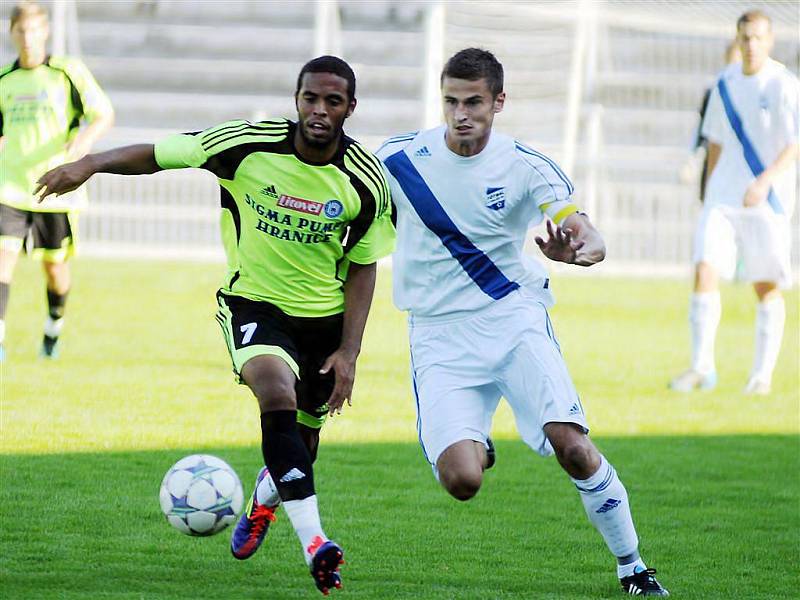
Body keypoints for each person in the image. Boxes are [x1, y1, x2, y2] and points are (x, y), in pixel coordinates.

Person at [36, 55, 395, 595]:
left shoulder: (366, 183)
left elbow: (364, 266)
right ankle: (317, 543)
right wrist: (89, 164)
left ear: (351, 108)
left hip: (324, 320)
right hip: (254, 305)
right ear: (296, 100)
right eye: (310, 99)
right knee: (274, 392)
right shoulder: (247, 144)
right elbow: (161, 156)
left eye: (333, 101)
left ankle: (263, 502)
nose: (319, 110)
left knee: (299, 449)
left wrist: (349, 352)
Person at [376, 48, 669, 596]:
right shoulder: (399, 158)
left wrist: (582, 252)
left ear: (498, 102)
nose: (461, 114)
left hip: (512, 320)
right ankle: (479, 444)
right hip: (438, 336)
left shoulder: (526, 166)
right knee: (462, 481)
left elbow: (583, 229)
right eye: (451, 101)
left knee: (575, 447)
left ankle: (633, 566)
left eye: (474, 102)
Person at [669, 10, 799, 395]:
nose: (751, 45)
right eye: (745, 38)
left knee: (765, 285)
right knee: (705, 270)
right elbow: (716, 142)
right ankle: (701, 368)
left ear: (770, 41)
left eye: (758, 38)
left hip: (766, 200)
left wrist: (765, 181)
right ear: (737, 40)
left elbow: (795, 144)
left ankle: (761, 376)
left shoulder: (783, 85)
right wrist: (708, 195)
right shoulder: (724, 82)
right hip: (723, 197)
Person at [0, 0, 114, 361]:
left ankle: (53, 327)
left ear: (45, 32)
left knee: (54, 268)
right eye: (22, 31)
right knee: (2, 260)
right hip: (10, 186)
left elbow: (103, 114)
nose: (28, 38)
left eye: (34, 31)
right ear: (12, 33)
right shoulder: (4, 80)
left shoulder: (67, 72)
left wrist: (81, 144)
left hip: (56, 188)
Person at [679, 41, 742, 196]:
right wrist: (692, 159)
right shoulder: (715, 90)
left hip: (742, 165)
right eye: (731, 61)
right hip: (716, 158)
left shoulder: (758, 92)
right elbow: (702, 129)